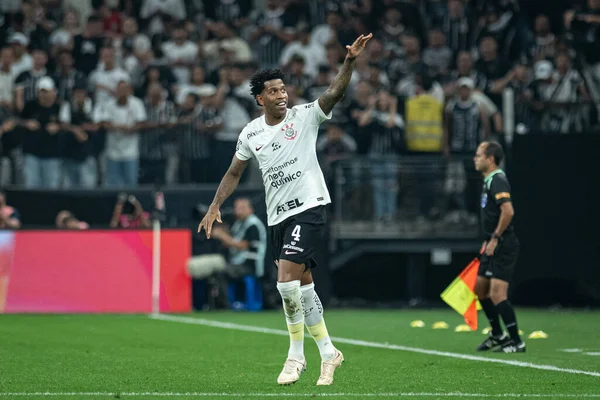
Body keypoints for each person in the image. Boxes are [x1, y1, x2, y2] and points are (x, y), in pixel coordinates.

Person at [199, 33, 373, 386]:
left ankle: (295, 357)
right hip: (278, 216)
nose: (282, 95)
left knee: (285, 284)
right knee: (303, 288)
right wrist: (215, 205)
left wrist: (349, 62)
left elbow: (334, 94)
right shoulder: (250, 134)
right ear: (261, 98)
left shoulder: (305, 116)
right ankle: (329, 353)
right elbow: (234, 172)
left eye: (283, 89)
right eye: (274, 91)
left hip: (308, 208)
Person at [473, 141, 525, 353]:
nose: (475, 159)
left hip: (503, 245)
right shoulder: (488, 181)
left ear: (490, 159)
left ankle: (516, 341)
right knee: (480, 289)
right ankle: (497, 334)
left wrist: (495, 238)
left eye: (478, 155)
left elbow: (508, 211)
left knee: (497, 293)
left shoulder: (498, 180)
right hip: (491, 243)